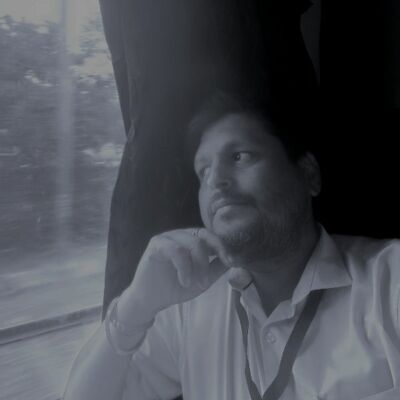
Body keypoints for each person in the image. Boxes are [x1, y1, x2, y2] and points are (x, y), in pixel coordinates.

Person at [63, 94, 400, 400]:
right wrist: (136, 305)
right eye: (203, 171)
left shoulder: (390, 281)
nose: (215, 181)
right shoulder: (185, 306)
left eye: (239, 156)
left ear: (308, 174)